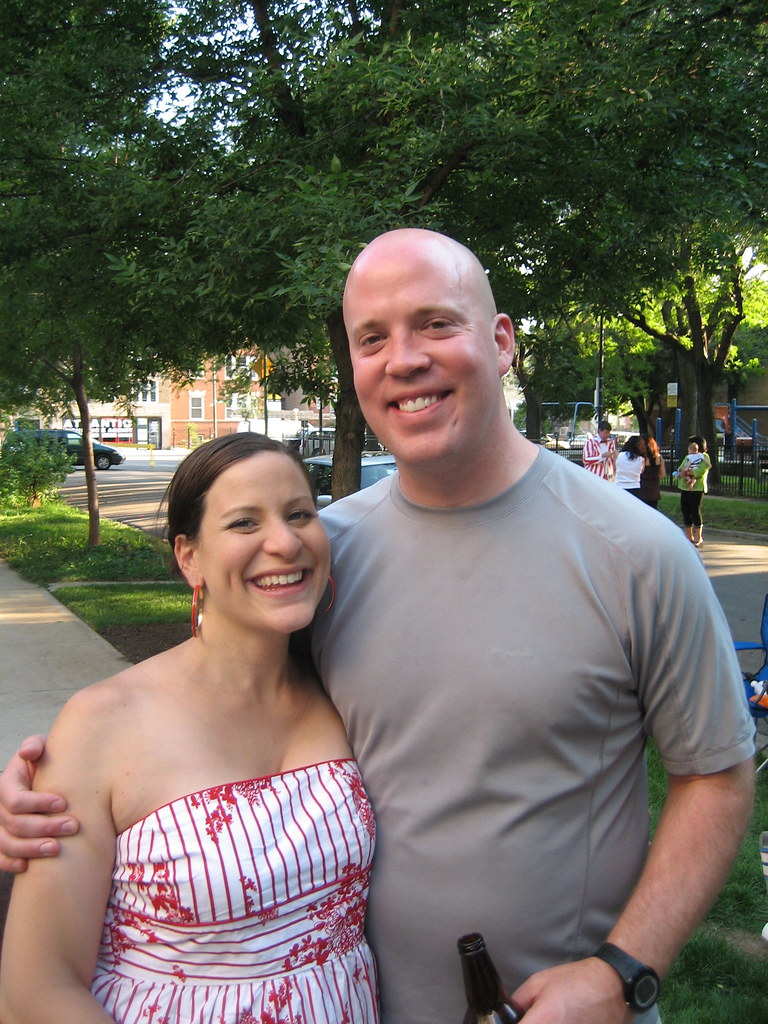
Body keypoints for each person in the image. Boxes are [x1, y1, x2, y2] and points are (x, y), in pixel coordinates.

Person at [0, 229, 755, 1024]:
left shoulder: (636, 552)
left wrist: (620, 971)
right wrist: (48, 797)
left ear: (502, 343)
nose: (404, 359)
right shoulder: (324, 557)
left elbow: (718, 776)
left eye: (436, 323)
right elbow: (203, 716)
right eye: (373, 338)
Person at [0, 434, 378, 1024]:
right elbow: (35, 989)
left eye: (299, 514)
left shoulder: (348, 696)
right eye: (243, 523)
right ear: (189, 557)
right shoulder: (101, 724)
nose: (283, 542)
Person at [674, 435, 712, 546]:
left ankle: (698, 537)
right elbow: (681, 467)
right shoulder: (688, 456)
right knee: (685, 511)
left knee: (695, 511)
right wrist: (684, 472)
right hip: (684, 487)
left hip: (697, 488)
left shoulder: (704, 456)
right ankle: (688, 537)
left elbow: (701, 470)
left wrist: (687, 472)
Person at [639, 435, 667, 509]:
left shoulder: (640, 458)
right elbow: (663, 474)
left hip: (642, 487)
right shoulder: (659, 458)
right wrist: (655, 478)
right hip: (654, 488)